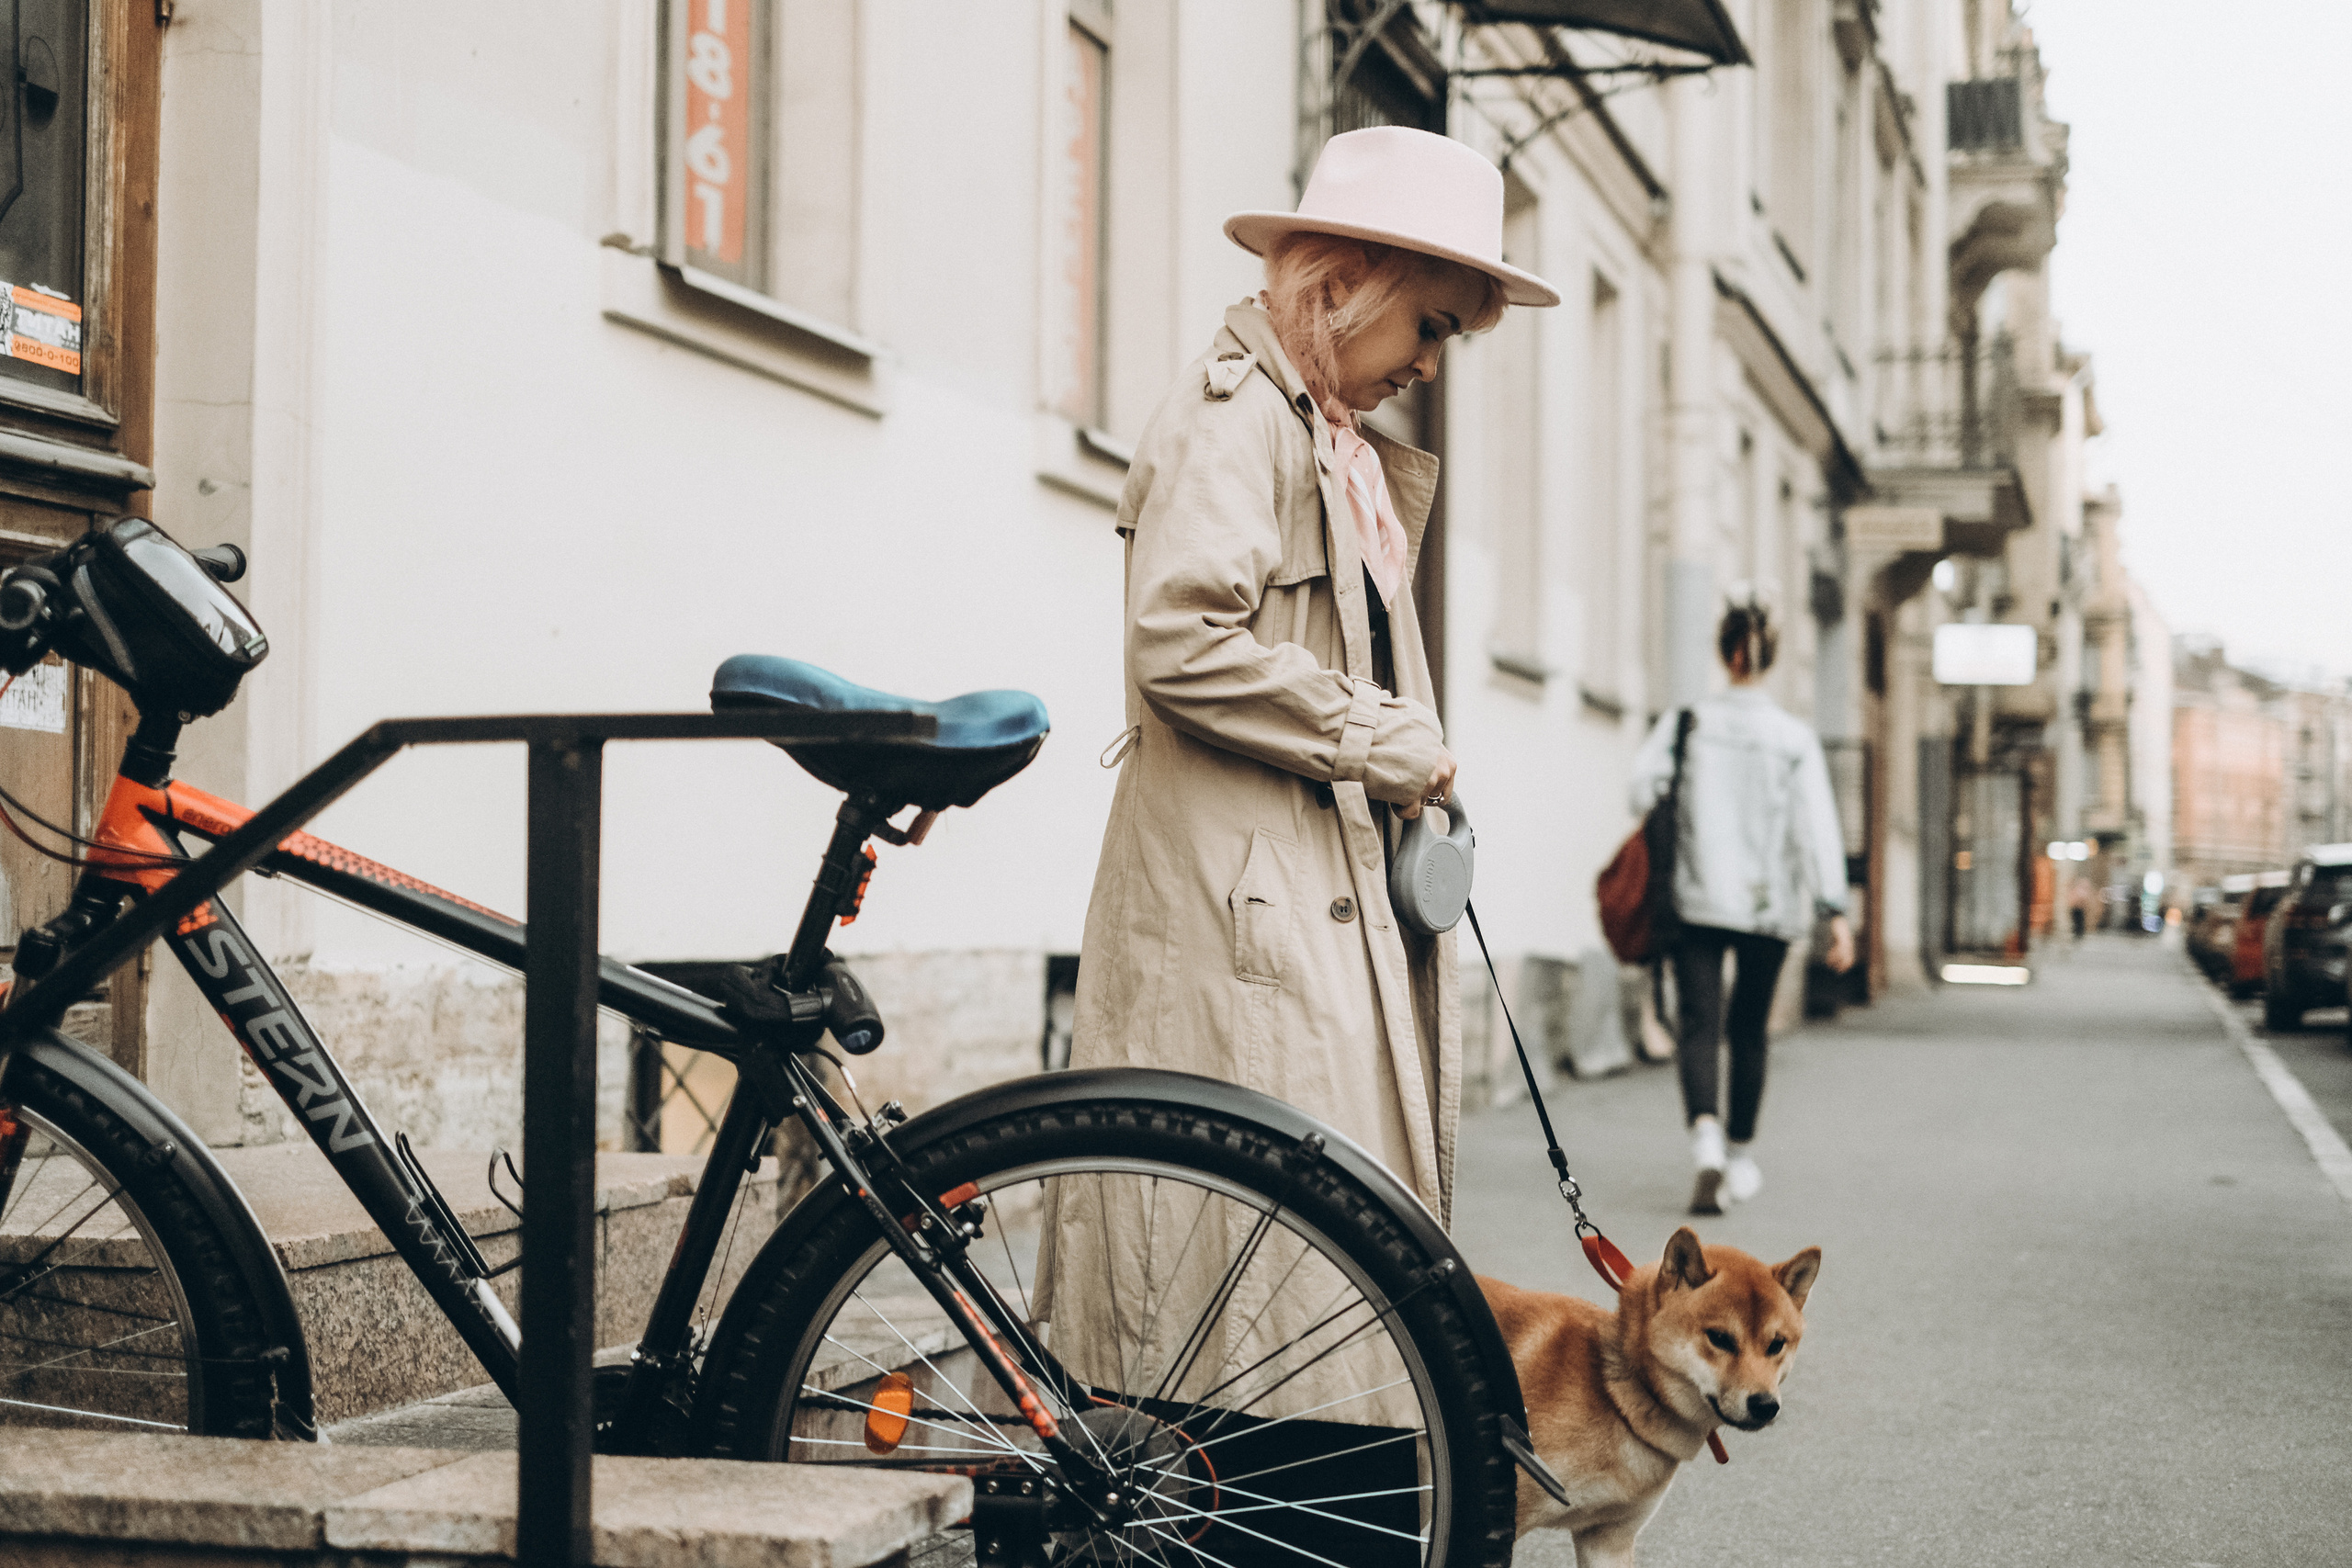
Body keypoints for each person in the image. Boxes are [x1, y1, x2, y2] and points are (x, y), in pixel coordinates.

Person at [1039, 129, 1558, 1402]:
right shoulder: (1242, 418)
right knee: (1253, 1277)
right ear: (1345, 287)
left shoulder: (1318, 434)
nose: (1429, 364)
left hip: (1286, 889)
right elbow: (1180, 637)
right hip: (1243, 903)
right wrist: (1385, 741)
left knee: (1302, 1266)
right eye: (1428, 325)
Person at [1631, 596, 1854, 1216]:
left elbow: (1638, 786)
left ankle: (1704, 1139)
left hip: (1697, 896)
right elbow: (1816, 826)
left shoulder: (1688, 721)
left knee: (1700, 1022)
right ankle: (1739, 1154)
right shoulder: (1792, 737)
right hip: (1768, 905)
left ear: (1725, 650)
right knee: (1749, 1028)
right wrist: (1834, 909)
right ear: (1769, 656)